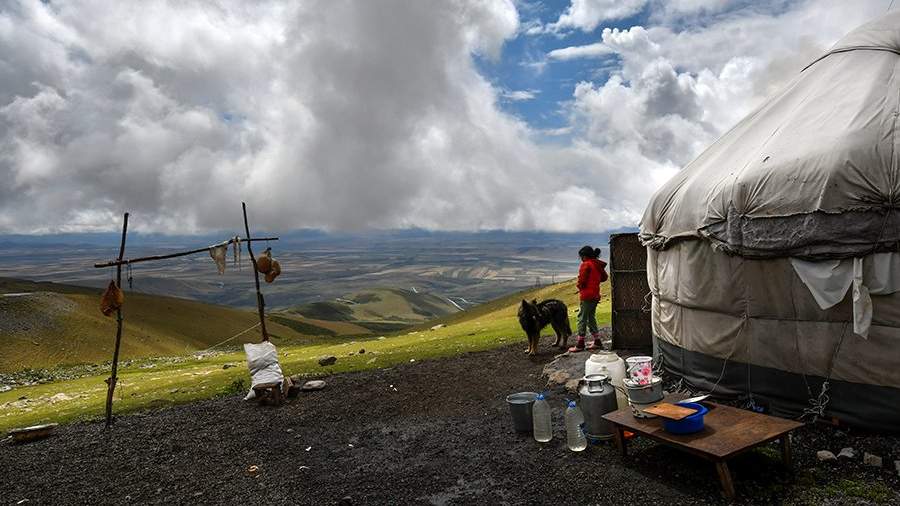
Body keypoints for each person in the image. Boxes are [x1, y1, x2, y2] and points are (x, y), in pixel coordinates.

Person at [569, 245, 608, 352]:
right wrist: (594, 281)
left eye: (581, 256)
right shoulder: (596, 264)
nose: (581, 259)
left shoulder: (586, 265)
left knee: (581, 318)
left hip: (587, 296)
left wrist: (580, 287)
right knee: (591, 317)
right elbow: (604, 277)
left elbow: (581, 281)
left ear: (585, 256)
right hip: (595, 295)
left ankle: (580, 344)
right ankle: (597, 341)